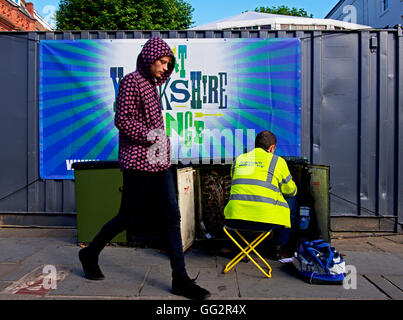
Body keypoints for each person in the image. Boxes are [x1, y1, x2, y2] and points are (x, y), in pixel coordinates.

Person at [78, 37, 210, 300]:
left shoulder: (151, 85)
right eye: (162, 62)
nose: (165, 68)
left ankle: (179, 279)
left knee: (172, 217)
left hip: (158, 162)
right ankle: (89, 253)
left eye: (168, 64)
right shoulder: (131, 81)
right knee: (126, 218)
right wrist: (152, 135)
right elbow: (122, 119)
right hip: (138, 162)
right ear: (150, 58)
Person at [223, 130, 298, 260]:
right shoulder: (278, 161)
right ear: (272, 148)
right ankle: (278, 248)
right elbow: (290, 191)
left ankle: (242, 248)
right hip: (265, 222)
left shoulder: (239, 159)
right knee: (292, 200)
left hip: (234, 220)